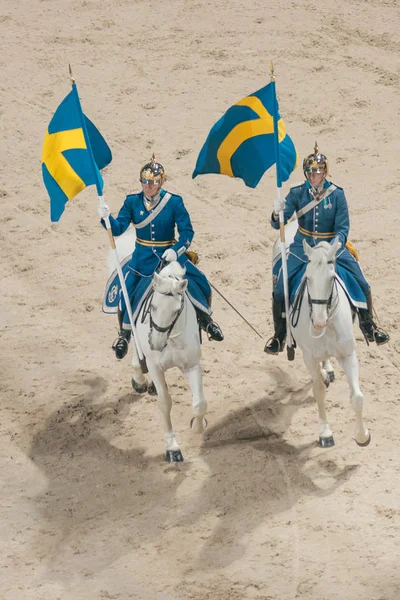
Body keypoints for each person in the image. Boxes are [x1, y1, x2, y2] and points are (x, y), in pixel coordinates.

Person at [264, 142, 389, 355]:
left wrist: (331, 248)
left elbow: (342, 228)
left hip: (332, 246)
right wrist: (277, 213)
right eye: (310, 173)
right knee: (279, 290)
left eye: (318, 172)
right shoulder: (296, 193)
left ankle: (369, 326)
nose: (314, 176)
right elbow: (278, 224)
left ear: (325, 172)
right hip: (302, 248)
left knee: (361, 282)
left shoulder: (337, 194)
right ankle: (280, 335)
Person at [98, 155, 224, 359]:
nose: (148, 186)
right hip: (142, 260)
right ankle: (124, 335)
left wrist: (176, 249)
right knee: (126, 293)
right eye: (145, 182)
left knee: (199, 283)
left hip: (170, 256)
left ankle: (207, 321)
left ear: (161, 182)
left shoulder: (174, 202)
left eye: (153, 182)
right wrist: (107, 218)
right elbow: (119, 228)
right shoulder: (132, 202)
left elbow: (187, 232)